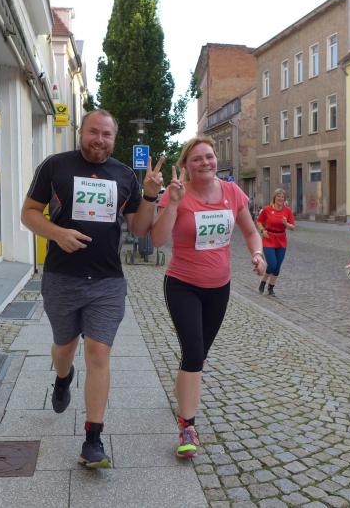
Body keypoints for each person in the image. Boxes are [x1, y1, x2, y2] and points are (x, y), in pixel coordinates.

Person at [20, 109, 164, 469]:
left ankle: (93, 439)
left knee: (98, 353)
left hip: (107, 281)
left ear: (114, 139)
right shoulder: (55, 166)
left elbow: (140, 229)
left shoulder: (124, 175)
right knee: (64, 346)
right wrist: (57, 233)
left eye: (106, 134)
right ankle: (63, 377)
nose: (99, 139)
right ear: (81, 132)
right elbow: (29, 213)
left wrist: (150, 197)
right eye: (93, 132)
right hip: (62, 277)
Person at [150, 135, 266, 459]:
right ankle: (187, 427)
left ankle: (182, 393)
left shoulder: (232, 192)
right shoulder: (177, 193)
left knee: (198, 356)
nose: (205, 162)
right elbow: (157, 240)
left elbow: (250, 232)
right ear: (186, 165)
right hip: (182, 284)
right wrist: (173, 203)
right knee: (193, 352)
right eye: (197, 158)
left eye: (209, 156)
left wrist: (257, 253)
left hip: (219, 287)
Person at [256, 188, 295, 296]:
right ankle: (263, 281)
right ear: (274, 197)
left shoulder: (287, 211)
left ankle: (271, 287)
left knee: (277, 266)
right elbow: (259, 221)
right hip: (269, 238)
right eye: (278, 196)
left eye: (282, 197)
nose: (280, 198)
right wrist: (262, 230)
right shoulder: (267, 209)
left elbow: (293, 227)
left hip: (281, 240)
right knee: (272, 264)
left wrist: (286, 224)